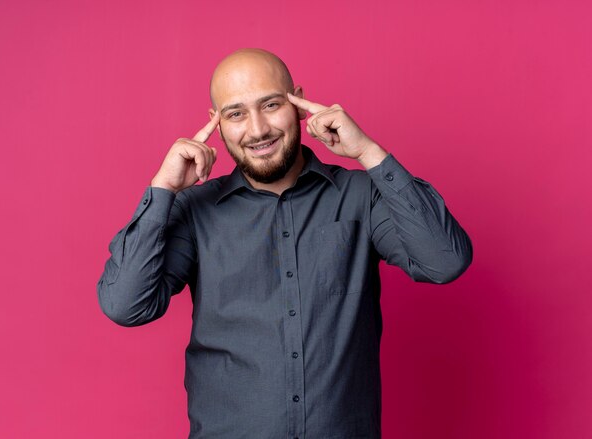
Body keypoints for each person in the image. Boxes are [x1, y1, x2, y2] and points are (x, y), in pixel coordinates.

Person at [97, 48, 473, 439]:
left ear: (298, 102)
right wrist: (163, 190)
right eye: (236, 113)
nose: (258, 129)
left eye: (271, 104)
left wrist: (369, 153)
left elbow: (444, 261)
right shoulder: (194, 210)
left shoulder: (361, 195)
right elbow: (127, 305)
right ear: (217, 123)